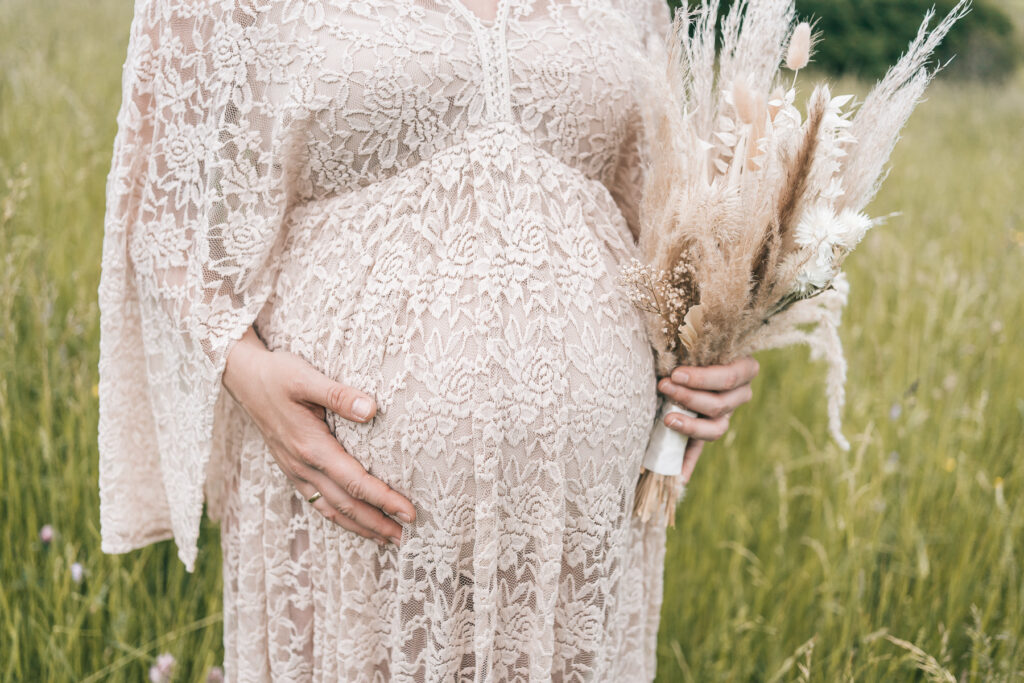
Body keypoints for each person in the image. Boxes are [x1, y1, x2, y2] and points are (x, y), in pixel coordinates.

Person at [97, 0, 759, 679]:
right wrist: (245, 371)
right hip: (345, 524)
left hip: (579, 531)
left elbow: (664, 215)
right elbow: (156, 200)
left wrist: (711, 346)